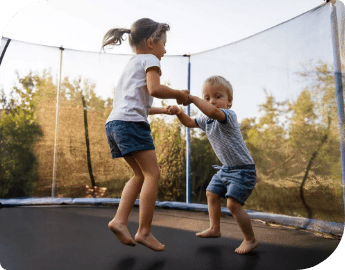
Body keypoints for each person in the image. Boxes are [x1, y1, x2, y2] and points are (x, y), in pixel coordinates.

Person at [102, 18, 190, 252]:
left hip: (114, 123)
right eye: (163, 44)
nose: (165, 50)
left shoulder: (131, 65)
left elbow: (141, 104)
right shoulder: (151, 59)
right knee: (153, 174)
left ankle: (119, 221)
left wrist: (164, 110)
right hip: (131, 124)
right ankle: (144, 231)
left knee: (139, 175)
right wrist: (179, 94)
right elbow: (155, 89)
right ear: (151, 42)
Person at [167, 76, 259, 254]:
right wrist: (179, 112)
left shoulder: (228, 115)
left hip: (243, 169)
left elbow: (213, 112)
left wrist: (193, 98)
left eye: (218, 97)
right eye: (207, 98)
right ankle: (214, 228)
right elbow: (189, 122)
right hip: (226, 169)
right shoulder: (205, 120)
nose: (212, 101)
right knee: (211, 193)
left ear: (229, 101)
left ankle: (250, 239)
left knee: (232, 205)